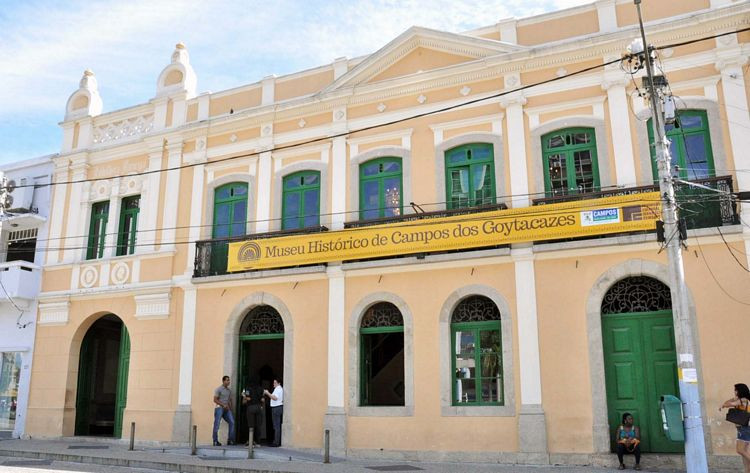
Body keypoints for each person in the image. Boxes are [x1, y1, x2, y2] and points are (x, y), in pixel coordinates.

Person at [719, 383, 750, 472]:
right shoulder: (741, 400)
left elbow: (728, 404)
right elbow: (727, 403)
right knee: (745, 453)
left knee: (740, 450)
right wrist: (732, 399)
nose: (734, 392)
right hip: (743, 428)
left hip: (744, 429)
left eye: (735, 390)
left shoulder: (743, 400)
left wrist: (727, 403)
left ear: (740, 391)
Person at [212, 375, 235, 447]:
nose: (228, 382)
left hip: (227, 409)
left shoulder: (229, 391)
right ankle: (215, 441)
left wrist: (231, 409)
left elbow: (229, 400)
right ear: (223, 381)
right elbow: (215, 400)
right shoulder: (219, 389)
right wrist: (223, 405)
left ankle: (230, 440)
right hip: (219, 408)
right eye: (227, 380)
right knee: (217, 424)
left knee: (232, 422)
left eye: (229, 380)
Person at [241, 376, 264, 447]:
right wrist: (261, 406)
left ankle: (250, 441)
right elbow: (262, 399)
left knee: (251, 425)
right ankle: (258, 442)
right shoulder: (261, 388)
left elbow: (248, 398)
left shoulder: (247, 388)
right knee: (258, 425)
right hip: (258, 407)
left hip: (250, 408)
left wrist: (243, 395)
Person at [264, 378, 283, 447]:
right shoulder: (278, 389)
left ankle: (276, 442)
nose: (273, 384)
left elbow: (275, 398)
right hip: (277, 407)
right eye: (273, 382)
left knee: (276, 425)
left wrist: (267, 393)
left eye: (275, 383)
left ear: (279, 383)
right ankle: (276, 441)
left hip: (277, 408)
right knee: (276, 425)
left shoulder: (278, 389)